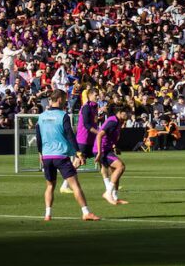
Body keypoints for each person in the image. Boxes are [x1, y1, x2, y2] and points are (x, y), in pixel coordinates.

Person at [35, 89, 99, 221]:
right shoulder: (63, 115)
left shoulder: (41, 116)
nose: (65, 102)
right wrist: (78, 153)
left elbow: (38, 136)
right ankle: (86, 212)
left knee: (50, 186)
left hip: (47, 156)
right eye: (64, 99)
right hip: (60, 156)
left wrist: (40, 153)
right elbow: (70, 135)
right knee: (75, 185)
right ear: (59, 99)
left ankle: (47, 214)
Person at [61, 87, 101, 194]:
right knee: (77, 162)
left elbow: (93, 122)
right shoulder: (86, 107)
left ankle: (110, 185)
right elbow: (87, 125)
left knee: (102, 157)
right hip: (83, 139)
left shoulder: (95, 107)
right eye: (96, 95)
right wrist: (99, 133)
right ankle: (64, 185)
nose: (98, 96)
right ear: (90, 95)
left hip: (91, 139)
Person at [94, 104, 129, 205]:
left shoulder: (118, 122)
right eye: (126, 112)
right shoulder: (113, 121)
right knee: (120, 167)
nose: (129, 114)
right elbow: (99, 135)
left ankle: (115, 197)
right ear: (119, 112)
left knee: (115, 171)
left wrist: (114, 147)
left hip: (107, 149)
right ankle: (108, 193)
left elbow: (109, 137)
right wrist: (100, 152)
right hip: (102, 150)